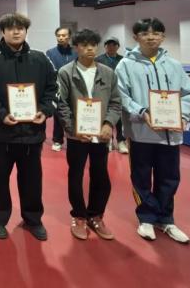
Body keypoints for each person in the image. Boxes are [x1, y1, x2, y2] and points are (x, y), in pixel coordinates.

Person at [115, 18, 190, 244]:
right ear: (136, 37)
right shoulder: (125, 65)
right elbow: (122, 96)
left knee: (169, 178)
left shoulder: (174, 65)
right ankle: (146, 218)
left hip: (170, 134)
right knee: (141, 176)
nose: (151, 37)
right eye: (145, 33)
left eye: (156, 33)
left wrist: (184, 116)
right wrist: (141, 112)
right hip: (141, 132)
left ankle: (166, 219)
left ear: (163, 36)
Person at [0, 12, 57, 241]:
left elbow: (53, 87)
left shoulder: (40, 59)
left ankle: (33, 219)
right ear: (3, 32)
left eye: (20, 28)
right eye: (11, 28)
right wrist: (1, 115)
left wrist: (44, 111)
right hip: (1, 134)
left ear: (26, 31)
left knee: (32, 180)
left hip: (32, 134)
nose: (16, 32)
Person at [57, 29, 121, 241]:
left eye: (93, 45)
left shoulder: (108, 73)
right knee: (75, 175)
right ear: (76, 48)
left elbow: (115, 102)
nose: (89, 49)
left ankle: (96, 215)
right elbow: (62, 104)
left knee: (101, 176)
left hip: (101, 136)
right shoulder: (66, 72)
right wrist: (72, 129)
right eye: (84, 45)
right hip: (77, 136)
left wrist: (108, 124)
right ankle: (79, 216)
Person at [46, 27, 77, 152]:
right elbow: (49, 70)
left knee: (74, 113)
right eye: (58, 35)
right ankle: (57, 140)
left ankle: (73, 137)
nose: (61, 38)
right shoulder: (50, 52)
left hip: (74, 86)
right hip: (57, 86)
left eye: (64, 35)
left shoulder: (75, 52)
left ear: (69, 37)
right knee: (58, 114)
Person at [96, 36, 128, 154]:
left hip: (119, 92)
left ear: (118, 47)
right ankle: (108, 140)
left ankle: (121, 141)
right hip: (103, 91)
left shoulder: (123, 60)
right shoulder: (98, 59)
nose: (111, 47)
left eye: (114, 44)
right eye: (109, 44)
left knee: (119, 116)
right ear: (105, 46)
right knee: (105, 115)